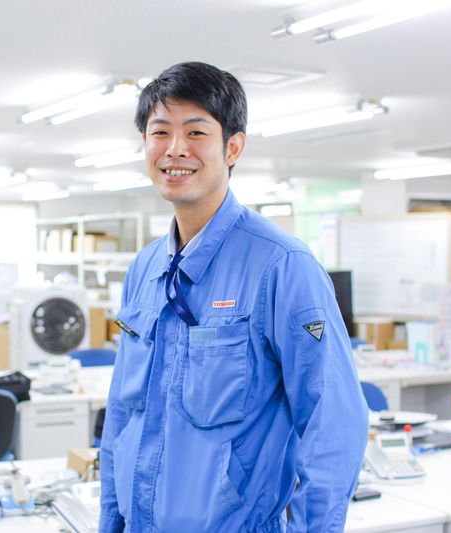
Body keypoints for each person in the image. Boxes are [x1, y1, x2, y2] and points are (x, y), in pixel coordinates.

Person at [99, 61, 368, 533]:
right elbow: (122, 415)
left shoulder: (282, 265)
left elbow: (334, 423)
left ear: (233, 147)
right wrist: (110, 521)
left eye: (196, 131)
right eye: (160, 132)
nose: (175, 149)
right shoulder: (145, 268)